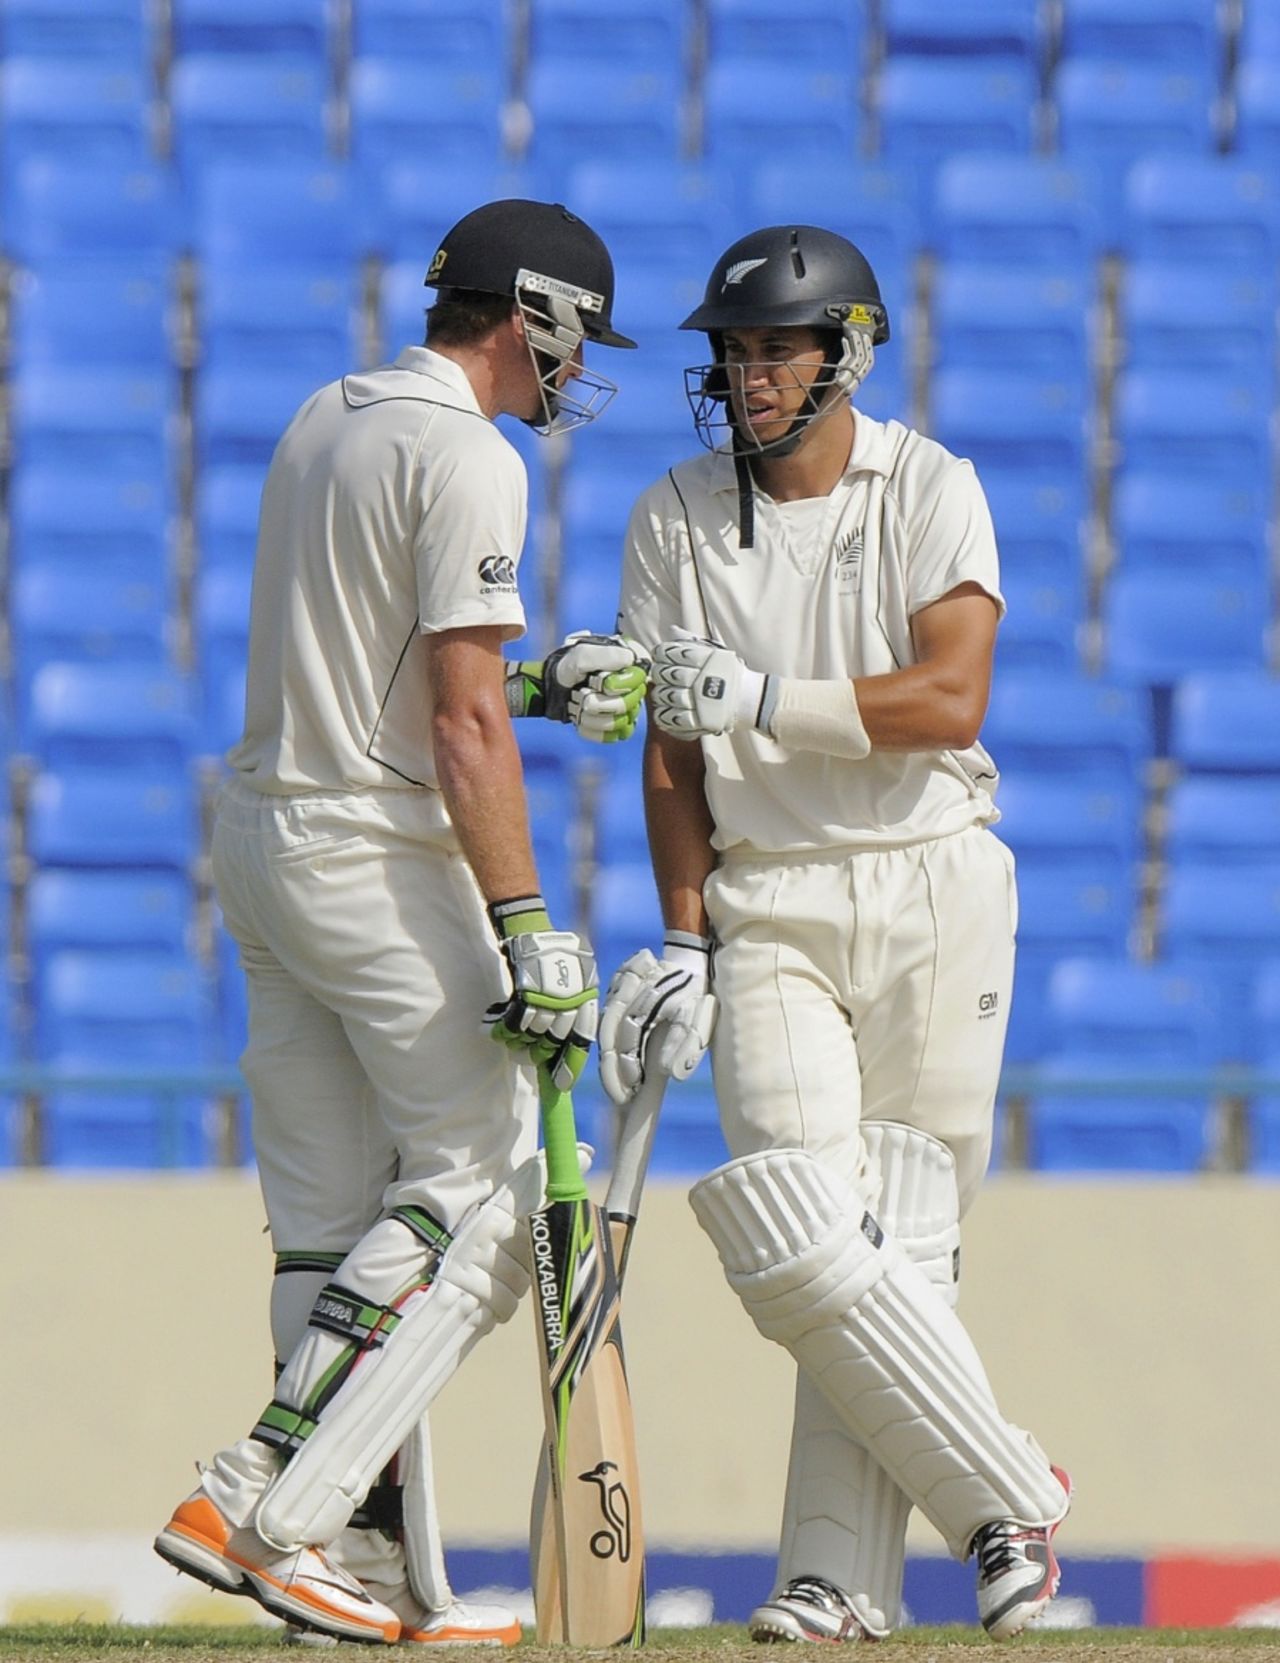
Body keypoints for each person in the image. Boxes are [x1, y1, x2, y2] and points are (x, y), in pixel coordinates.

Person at [153, 199, 645, 1647]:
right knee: (487, 1187)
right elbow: (458, 721)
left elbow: (387, 648)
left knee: (326, 1225)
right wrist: (528, 922)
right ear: (530, 317)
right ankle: (265, 1497)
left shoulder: (328, 415)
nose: (574, 372)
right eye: (573, 340)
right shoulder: (471, 455)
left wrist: (541, 681)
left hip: (258, 835)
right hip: (368, 848)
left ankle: (351, 1576)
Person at [597, 224, 1072, 1643]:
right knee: (799, 1230)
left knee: (900, 1247)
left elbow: (950, 702)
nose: (749, 375)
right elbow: (665, 753)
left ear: (843, 354)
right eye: (734, 351)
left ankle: (836, 1583)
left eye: (775, 349)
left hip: (933, 881)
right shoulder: (673, 514)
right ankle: (1006, 1491)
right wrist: (684, 937)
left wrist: (756, 700)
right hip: (772, 898)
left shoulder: (931, 486)